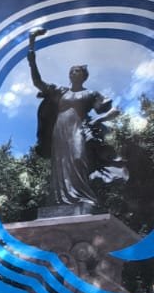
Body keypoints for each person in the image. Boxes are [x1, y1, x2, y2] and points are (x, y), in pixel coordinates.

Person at [27, 28, 117, 212]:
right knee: (59, 164)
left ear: (83, 75)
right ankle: (60, 201)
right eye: (71, 71)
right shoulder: (61, 91)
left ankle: (83, 197)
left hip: (77, 129)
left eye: (77, 71)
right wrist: (32, 55)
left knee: (77, 158)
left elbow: (109, 109)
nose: (73, 73)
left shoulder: (90, 93)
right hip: (59, 130)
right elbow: (38, 82)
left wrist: (101, 117)